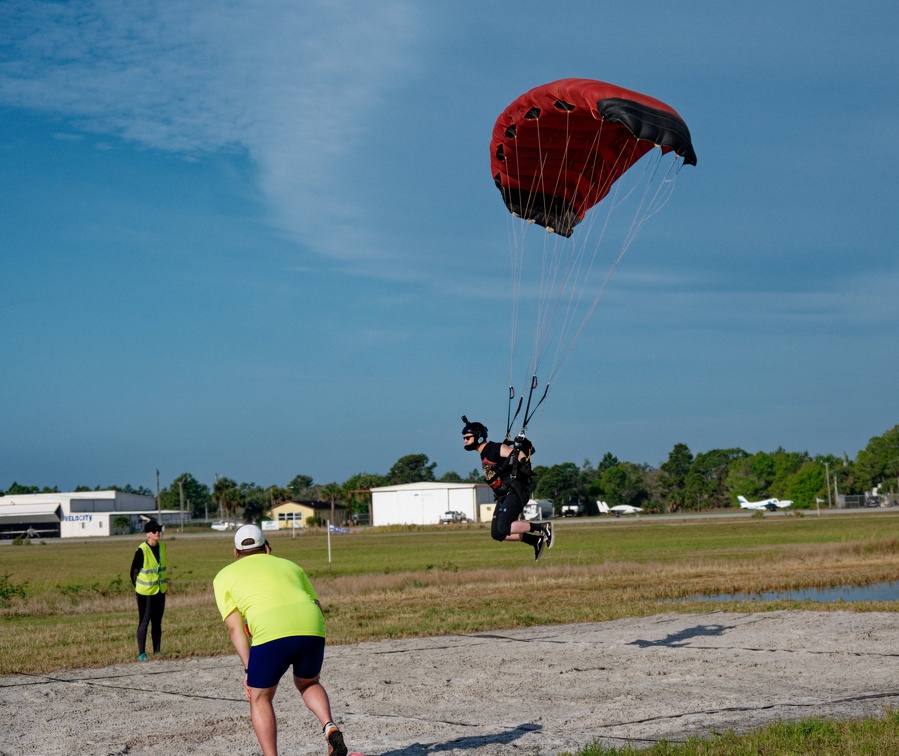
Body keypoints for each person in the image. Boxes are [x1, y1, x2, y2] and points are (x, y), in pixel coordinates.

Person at [213, 524, 349, 756]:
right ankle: (329, 726)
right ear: (266, 548)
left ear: (236, 553)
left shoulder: (224, 576)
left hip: (271, 630)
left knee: (260, 697)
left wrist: (249, 669)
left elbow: (235, 629)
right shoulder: (291, 566)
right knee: (308, 682)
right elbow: (316, 605)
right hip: (311, 625)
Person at [462, 416, 554, 560]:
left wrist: (525, 463)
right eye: (464, 438)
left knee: (504, 527)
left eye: (468, 437)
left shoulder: (492, 448)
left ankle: (542, 528)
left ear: (478, 437)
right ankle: (535, 540)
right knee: (497, 533)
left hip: (515, 490)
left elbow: (516, 453)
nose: (465, 440)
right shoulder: (483, 454)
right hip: (503, 494)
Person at [130, 519, 168, 660]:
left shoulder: (163, 547)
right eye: (154, 530)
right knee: (144, 621)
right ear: (147, 534)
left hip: (160, 590)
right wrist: (138, 587)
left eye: (159, 530)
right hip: (145, 593)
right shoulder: (142, 550)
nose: (157, 532)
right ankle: (142, 653)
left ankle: (157, 650)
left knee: (157, 621)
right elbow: (133, 571)